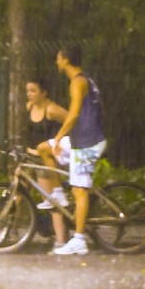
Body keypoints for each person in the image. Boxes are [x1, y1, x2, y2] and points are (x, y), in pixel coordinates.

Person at [43, 46, 106, 256]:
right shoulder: (85, 80)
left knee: (79, 190)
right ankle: (58, 195)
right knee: (45, 149)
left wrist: (60, 137)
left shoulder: (77, 82)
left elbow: (74, 114)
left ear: (66, 59)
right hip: (83, 137)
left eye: (58, 58)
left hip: (86, 142)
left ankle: (79, 240)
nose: (56, 62)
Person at [24, 78, 70, 249]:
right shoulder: (29, 107)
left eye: (33, 91)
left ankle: (60, 239)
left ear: (44, 93)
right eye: (28, 90)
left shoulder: (51, 109)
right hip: (29, 157)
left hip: (44, 159)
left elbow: (71, 120)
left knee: (50, 200)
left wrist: (58, 142)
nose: (29, 94)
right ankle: (9, 229)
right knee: (16, 194)